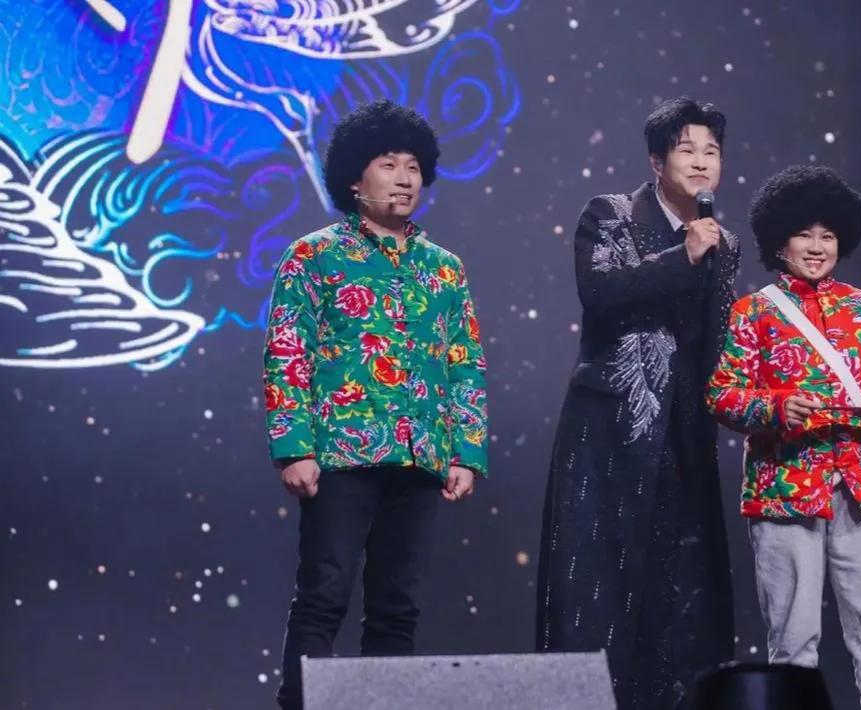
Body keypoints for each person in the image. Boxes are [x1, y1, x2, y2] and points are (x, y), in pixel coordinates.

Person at [263, 100, 489, 710]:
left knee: (397, 609)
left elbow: (465, 363)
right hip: (340, 458)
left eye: (413, 166)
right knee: (323, 597)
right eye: (388, 164)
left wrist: (465, 453)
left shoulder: (445, 269)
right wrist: (293, 449)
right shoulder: (314, 255)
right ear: (353, 179)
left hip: (420, 460)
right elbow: (288, 353)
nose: (404, 178)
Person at [537, 97, 739, 709]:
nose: (701, 162)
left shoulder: (725, 241)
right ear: (656, 161)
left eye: (711, 152)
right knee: (595, 586)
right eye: (687, 150)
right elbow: (600, 292)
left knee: (677, 594)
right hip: (609, 433)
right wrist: (683, 256)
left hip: (685, 437)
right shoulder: (610, 214)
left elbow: (717, 342)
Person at [706, 165, 861, 710]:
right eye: (804, 234)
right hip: (784, 488)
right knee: (792, 639)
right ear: (780, 242)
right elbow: (723, 395)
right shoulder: (754, 312)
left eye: (828, 235)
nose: (818, 247)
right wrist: (777, 408)